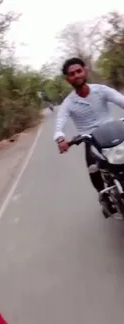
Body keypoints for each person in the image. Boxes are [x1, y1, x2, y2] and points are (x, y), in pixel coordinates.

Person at [54, 57, 124, 214]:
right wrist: (60, 138)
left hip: (113, 131)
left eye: (79, 71)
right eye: (72, 74)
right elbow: (60, 124)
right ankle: (104, 197)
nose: (77, 75)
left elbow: (121, 100)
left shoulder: (101, 90)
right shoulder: (68, 103)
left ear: (85, 71)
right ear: (68, 79)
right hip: (91, 140)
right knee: (93, 168)